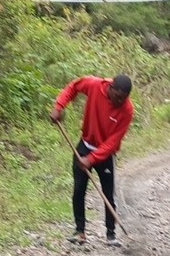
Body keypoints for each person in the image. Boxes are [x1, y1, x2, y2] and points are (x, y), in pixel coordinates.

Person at [50, 75, 134, 245]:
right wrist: (59, 107)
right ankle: (79, 232)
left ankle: (111, 235)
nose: (120, 102)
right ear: (111, 88)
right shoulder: (94, 85)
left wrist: (92, 159)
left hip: (105, 155)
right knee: (79, 190)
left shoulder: (127, 110)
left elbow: (113, 142)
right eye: (118, 97)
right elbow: (73, 87)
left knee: (108, 194)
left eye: (124, 99)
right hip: (85, 145)